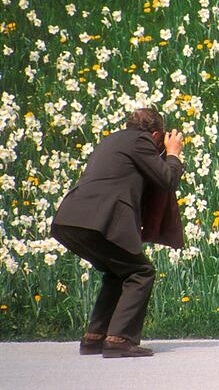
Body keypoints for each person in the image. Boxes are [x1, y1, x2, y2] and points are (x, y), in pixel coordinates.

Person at [51, 108, 184, 358]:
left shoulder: (112, 140)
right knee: (141, 272)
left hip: (70, 219)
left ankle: (95, 337)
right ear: (156, 135)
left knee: (118, 271)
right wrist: (173, 154)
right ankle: (120, 339)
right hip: (99, 221)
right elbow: (168, 179)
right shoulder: (141, 141)